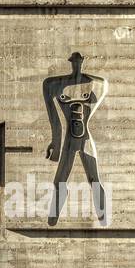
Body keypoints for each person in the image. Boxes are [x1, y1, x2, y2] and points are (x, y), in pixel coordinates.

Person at [43, 52, 108, 225]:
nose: (76, 65)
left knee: (94, 179)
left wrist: (82, 78)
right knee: (60, 179)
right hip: (70, 141)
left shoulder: (93, 85)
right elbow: (53, 113)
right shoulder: (56, 85)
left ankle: (103, 218)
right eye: (75, 62)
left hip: (85, 138)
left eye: (78, 62)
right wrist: (55, 143)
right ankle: (53, 218)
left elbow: (103, 84)